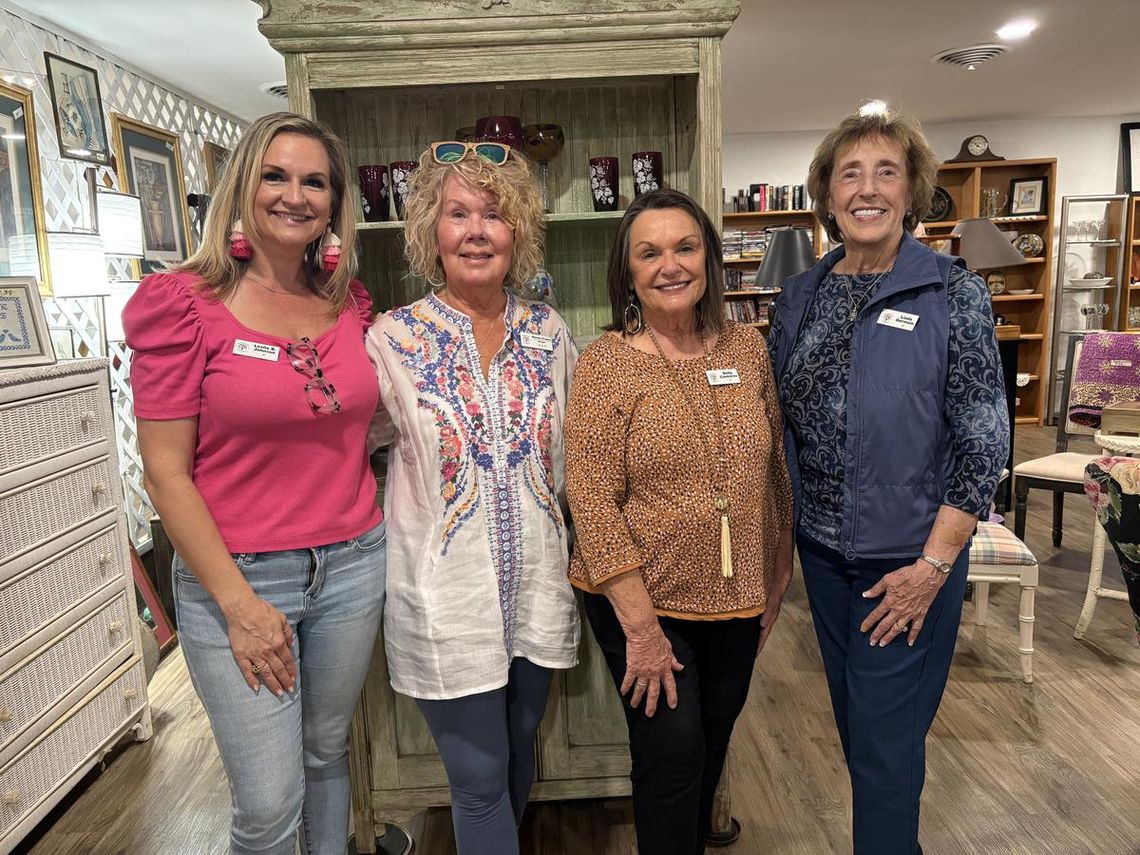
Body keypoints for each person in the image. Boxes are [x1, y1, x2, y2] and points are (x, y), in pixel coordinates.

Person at [124, 112, 383, 855]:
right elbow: (165, 472)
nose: (294, 195)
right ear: (242, 185)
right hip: (239, 577)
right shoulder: (183, 305)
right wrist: (239, 606)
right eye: (275, 175)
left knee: (327, 756)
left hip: (355, 564)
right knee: (268, 804)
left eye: (314, 181)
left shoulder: (346, 301)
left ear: (334, 203)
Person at [766, 103, 1009, 855]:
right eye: (850, 173)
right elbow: (779, 418)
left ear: (911, 191)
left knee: (882, 747)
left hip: (906, 560)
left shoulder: (951, 293)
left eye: (886, 172)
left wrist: (934, 565)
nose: (867, 189)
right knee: (863, 735)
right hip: (826, 557)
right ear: (827, 196)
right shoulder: (802, 296)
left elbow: (982, 441)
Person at [564, 188, 794, 855]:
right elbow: (591, 495)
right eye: (650, 251)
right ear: (629, 272)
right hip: (642, 600)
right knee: (671, 757)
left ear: (709, 258)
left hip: (737, 598)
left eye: (685, 246)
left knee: (714, 742)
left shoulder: (747, 347)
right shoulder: (608, 362)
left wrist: (776, 575)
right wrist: (640, 627)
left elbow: (773, 467)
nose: (670, 264)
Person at [365, 140, 579, 855]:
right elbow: (343, 447)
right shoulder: (391, 340)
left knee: (518, 754)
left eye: (494, 214)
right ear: (431, 231)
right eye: (458, 214)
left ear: (517, 231)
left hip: (538, 590)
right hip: (444, 599)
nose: (477, 230)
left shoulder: (548, 334)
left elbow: (573, 455)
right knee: (480, 777)